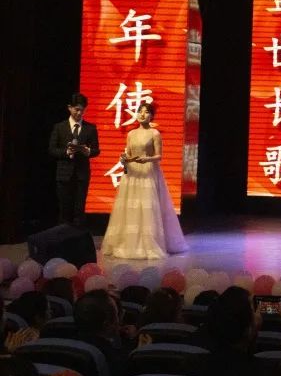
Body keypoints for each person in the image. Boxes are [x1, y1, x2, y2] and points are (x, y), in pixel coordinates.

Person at [101, 102, 188, 259]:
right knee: (132, 207)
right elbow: (128, 153)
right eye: (140, 111)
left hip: (148, 172)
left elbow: (159, 156)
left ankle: (149, 244)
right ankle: (129, 243)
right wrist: (124, 159)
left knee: (148, 209)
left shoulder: (155, 133)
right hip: (132, 174)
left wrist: (147, 159)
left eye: (146, 112)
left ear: (151, 116)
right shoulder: (131, 134)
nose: (142, 114)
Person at [48, 93, 100, 227]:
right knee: (64, 209)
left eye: (82, 110)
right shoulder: (60, 127)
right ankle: (62, 237)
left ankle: (77, 237)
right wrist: (66, 152)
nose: (79, 113)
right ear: (69, 108)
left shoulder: (90, 128)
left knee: (79, 210)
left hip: (81, 175)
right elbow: (52, 149)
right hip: (64, 174)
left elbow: (96, 150)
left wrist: (88, 151)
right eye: (77, 109)